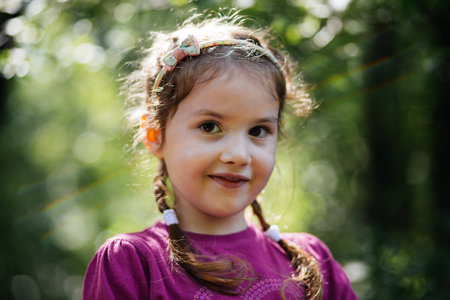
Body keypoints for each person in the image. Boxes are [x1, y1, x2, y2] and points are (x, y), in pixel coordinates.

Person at [83, 14, 358, 300]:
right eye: (210, 126)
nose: (238, 155)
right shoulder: (134, 263)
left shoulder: (311, 263)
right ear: (155, 135)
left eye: (258, 130)